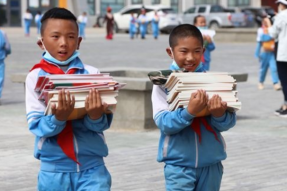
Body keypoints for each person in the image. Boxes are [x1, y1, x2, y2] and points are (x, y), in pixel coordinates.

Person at [25, 8, 112, 190]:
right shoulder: (35, 77)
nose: (63, 43)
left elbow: (101, 125)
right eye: (55, 37)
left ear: (79, 41)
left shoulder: (92, 74)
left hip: (93, 168)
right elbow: (36, 125)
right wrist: (58, 118)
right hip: (54, 170)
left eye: (71, 37)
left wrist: (95, 115)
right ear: (41, 43)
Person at [152, 24, 236, 191]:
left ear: (203, 52)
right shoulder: (163, 83)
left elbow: (228, 123)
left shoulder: (213, 82)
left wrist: (219, 114)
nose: (190, 57)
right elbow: (163, 122)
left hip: (211, 163)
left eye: (197, 51)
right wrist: (189, 112)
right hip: (178, 165)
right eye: (184, 51)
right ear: (170, 52)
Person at [264, 0, 287, 117]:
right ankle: (285, 105)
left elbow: (272, 33)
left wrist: (269, 23)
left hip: (283, 53)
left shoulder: (282, 16)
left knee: (284, 80)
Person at [255, 17, 281, 90]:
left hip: (272, 53)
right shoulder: (261, 30)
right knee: (263, 69)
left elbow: (274, 36)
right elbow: (261, 40)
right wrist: (257, 53)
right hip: (264, 53)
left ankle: (275, 83)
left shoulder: (272, 29)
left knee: (274, 68)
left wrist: (270, 27)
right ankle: (261, 82)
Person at [0, 28, 11, 105]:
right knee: (0, 79)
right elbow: (7, 46)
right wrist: (7, 52)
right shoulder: (2, 33)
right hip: (0, 59)